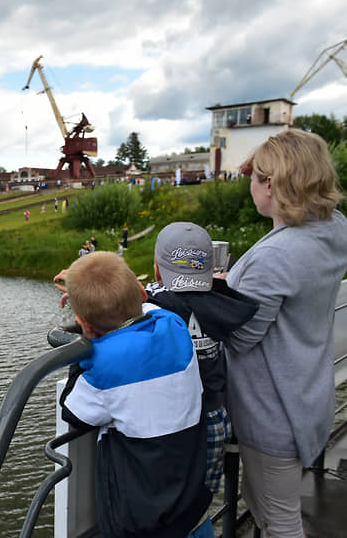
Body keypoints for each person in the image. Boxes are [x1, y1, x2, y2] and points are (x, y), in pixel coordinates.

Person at [223, 129, 347, 537]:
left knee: (278, 521)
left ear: (272, 184)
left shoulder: (276, 255)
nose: (250, 184)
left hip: (271, 412)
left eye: (256, 177)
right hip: (306, 395)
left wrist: (215, 293)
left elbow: (241, 337)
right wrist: (239, 283)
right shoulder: (333, 230)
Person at [56, 252, 211, 538]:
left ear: (85, 325)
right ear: (142, 293)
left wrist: (85, 347)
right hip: (193, 511)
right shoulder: (173, 326)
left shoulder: (105, 367)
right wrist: (89, 288)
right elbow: (147, 307)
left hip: (146, 522)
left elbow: (72, 410)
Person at [145, 222, 258, 500]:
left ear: (158, 269)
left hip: (172, 423)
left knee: (168, 502)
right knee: (200, 500)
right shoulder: (223, 301)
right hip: (215, 418)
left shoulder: (155, 304)